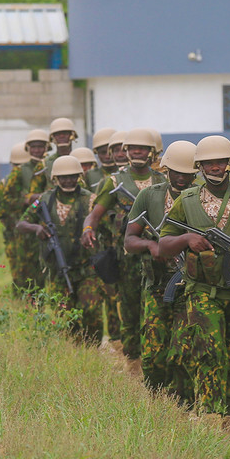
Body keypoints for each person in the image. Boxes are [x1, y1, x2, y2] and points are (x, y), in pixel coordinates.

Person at [157, 135, 230, 428]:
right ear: (199, 167)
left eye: (220, 162)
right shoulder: (186, 202)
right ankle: (211, 415)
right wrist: (187, 239)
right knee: (208, 351)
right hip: (203, 291)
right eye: (208, 163)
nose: (215, 168)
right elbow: (163, 244)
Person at [81, 129, 166, 359]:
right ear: (126, 151)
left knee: (159, 311)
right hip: (128, 258)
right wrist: (89, 228)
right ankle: (133, 362)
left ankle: (157, 361)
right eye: (133, 148)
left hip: (161, 257)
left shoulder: (163, 180)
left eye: (143, 148)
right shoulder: (114, 182)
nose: (138, 151)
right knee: (129, 312)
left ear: (152, 152)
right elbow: (95, 214)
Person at [123, 140, 197, 393]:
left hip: (190, 286)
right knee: (153, 353)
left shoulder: (200, 199)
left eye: (187, 174)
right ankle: (156, 400)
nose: (180, 178)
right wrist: (151, 247)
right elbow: (129, 240)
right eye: (175, 172)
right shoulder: (149, 196)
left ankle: (184, 406)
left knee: (182, 352)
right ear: (166, 170)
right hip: (156, 286)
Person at [16, 156, 106, 343]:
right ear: (55, 178)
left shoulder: (90, 199)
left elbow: (104, 222)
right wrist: (37, 228)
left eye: (72, 176)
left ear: (79, 176)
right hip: (57, 269)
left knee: (91, 310)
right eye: (63, 177)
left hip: (86, 267)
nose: (68, 180)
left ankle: (93, 349)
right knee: (64, 315)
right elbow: (21, 223)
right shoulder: (43, 199)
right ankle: (74, 353)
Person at [0, 142, 31, 286]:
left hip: (35, 238)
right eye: (16, 166)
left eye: (23, 166)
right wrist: (16, 204)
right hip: (13, 238)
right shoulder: (5, 184)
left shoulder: (36, 183)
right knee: (18, 277)